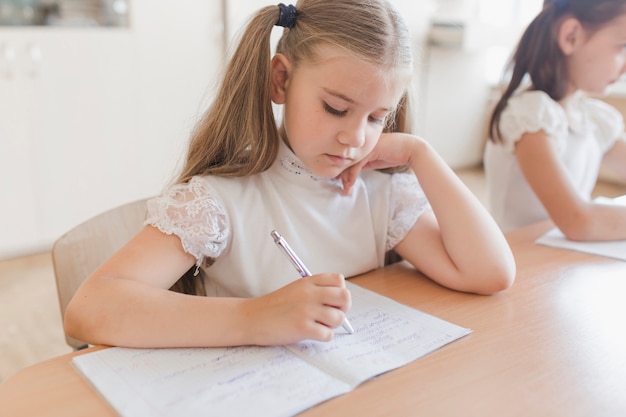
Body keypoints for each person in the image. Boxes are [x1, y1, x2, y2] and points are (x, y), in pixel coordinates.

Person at [64, 0, 515, 349]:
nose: (355, 139)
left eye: (378, 118)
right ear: (280, 80)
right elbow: (90, 308)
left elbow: (492, 273)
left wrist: (421, 154)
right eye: (336, 108)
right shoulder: (220, 201)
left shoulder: (380, 194)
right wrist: (255, 317)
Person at [484, 0, 626, 238]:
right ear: (571, 37)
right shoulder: (530, 115)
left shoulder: (592, 118)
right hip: (519, 259)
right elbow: (577, 221)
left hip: (561, 259)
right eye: (622, 47)